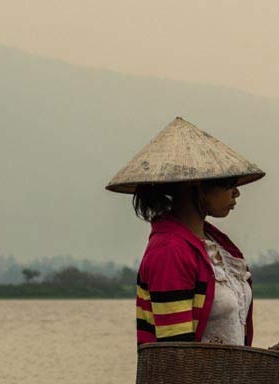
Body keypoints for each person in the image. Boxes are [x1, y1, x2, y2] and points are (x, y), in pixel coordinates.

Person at [105, 116, 265, 347]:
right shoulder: (170, 252)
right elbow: (175, 353)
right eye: (228, 183)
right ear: (197, 186)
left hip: (224, 382)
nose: (236, 193)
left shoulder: (217, 246)